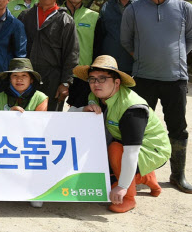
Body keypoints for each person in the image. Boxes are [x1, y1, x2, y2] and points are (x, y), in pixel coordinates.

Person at [121, 0, 192, 193]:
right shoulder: (134, 9)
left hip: (176, 78)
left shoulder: (184, 8)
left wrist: (176, 57)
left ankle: (177, 174)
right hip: (143, 78)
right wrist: (144, 57)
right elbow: (126, 41)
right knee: (139, 128)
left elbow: (190, 39)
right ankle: (140, 174)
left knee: (178, 128)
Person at [73, 55, 171, 212]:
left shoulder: (132, 108)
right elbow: (69, 114)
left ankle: (129, 198)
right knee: (103, 170)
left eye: (102, 78)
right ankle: (146, 177)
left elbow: (131, 152)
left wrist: (122, 187)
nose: (96, 84)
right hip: (124, 143)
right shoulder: (96, 95)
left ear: (117, 82)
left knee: (115, 151)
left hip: (151, 150)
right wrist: (83, 109)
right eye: (92, 79)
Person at [18, 0, 79, 111]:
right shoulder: (25, 16)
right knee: (24, 115)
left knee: (49, 119)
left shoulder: (66, 20)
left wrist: (65, 83)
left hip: (53, 79)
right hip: (27, 76)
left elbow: (72, 54)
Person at [94, 0, 143, 75]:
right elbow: (100, 36)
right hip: (111, 67)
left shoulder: (145, 5)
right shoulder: (107, 6)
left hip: (139, 68)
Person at [61, 0, 98, 109]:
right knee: (53, 112)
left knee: (79, 112)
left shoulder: (94, 17)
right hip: (59, 73)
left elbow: (98, 46)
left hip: (83, 74)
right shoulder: (56, 14)